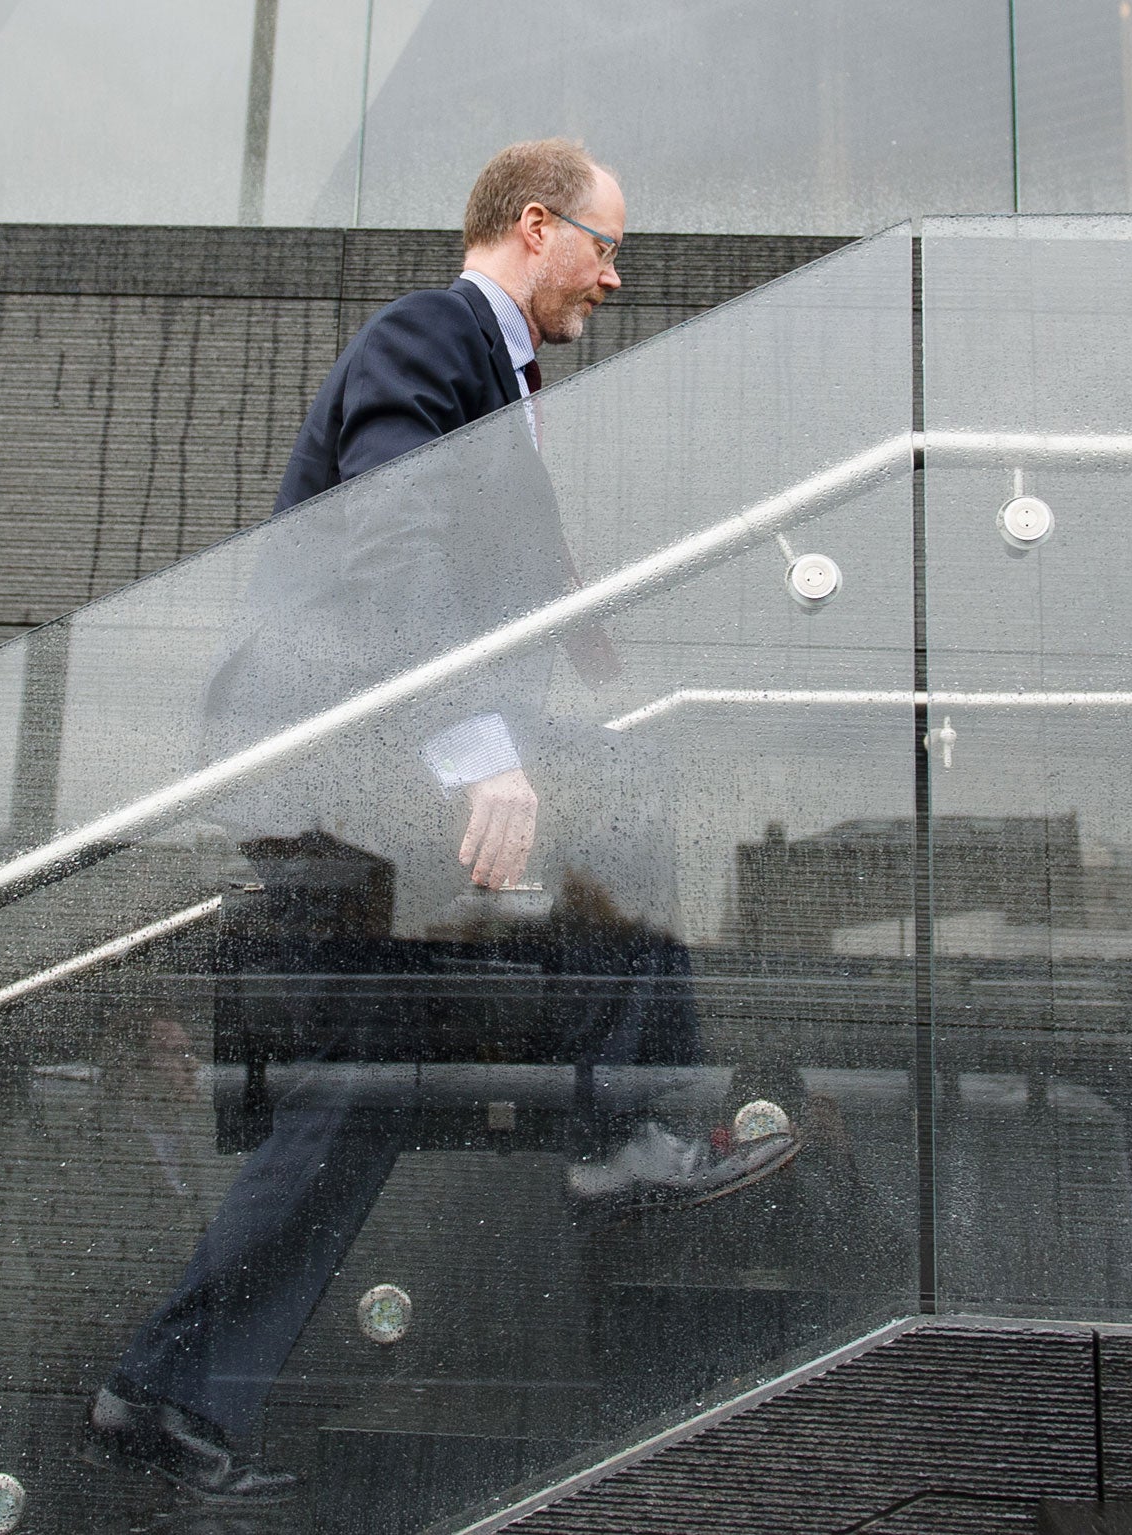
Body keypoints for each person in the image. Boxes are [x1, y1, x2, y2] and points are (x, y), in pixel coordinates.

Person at [81, 139, 798, 1508]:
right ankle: (628, 1133)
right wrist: (485, 756)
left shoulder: (492, 378)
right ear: (538, 226)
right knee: (626, 803)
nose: (616, 270)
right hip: (352, 752)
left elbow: (458, 554)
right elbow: (394, 547)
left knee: (358, 1095)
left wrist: (566, 630)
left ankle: (165, 1390)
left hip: (352, 782)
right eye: (604, 241)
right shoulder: (433, 333)